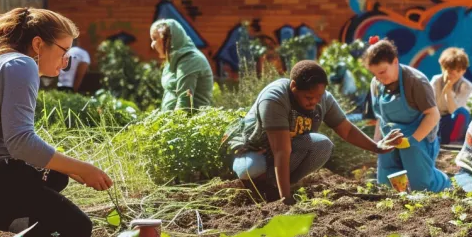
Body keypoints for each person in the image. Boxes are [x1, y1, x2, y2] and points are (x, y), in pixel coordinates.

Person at [0, 7, 111, 237]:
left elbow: (15, 143)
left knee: (56, 176)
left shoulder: (6, 62)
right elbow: (21, 143)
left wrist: (70, 169)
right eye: (63, 51)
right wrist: (85, 168)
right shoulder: (21, 65)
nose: (65, 62)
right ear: (38, 44)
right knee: (77, 229)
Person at [226, 60, 395, 203]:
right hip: (255, 150)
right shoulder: (275, 97)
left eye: (318, 97)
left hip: (285, 151)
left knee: (322, 145)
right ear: (293, 86)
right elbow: (281, 151)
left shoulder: (323, 99)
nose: (314, 102)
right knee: (250, 168)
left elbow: (347, 131)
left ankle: (274, 187)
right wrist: (285, 200)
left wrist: (377, 147)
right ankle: (259, 189)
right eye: (308, 97)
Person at [364, 39, 451, 192]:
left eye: (382, 72)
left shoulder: (416, 82)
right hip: (389, 135)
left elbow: (433, 115)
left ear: (395, 62)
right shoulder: (376, 83)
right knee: (386, 185)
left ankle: (444, 183)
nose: (379, 78)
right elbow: (380, 117)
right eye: (375, 74)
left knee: (421, 186)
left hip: (418, 137)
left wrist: (412, 141)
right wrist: (377, 143)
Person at [150, 19, 214, 110]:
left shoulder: (191, 60)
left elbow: (184, 104)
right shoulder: (173, 61)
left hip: (191, 122)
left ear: (167, 39)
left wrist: (171, 124)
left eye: (155, 39)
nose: (152, 45)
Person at [432, 47, 472, 145]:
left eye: (458, 70)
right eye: (450, 70)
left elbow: (454, 111)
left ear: (463, 71)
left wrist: (448, 90)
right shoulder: (436, 81)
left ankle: (453, 143)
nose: (453, 73)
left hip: (453, 121)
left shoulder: (466, 86)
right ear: (442, 67)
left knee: (463, 113)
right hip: (436, 119)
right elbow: (431, 107)